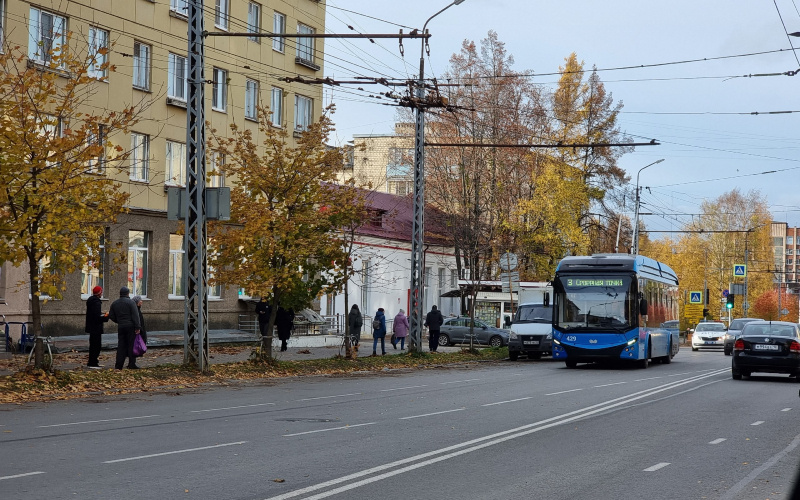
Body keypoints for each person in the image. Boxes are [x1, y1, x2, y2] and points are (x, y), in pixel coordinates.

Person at [108, 286, 142, 370]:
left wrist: (118, 321)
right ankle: (131, 364)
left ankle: (118, 365)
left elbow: (111, 315)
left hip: (121, 326)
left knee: (121, 346)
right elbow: (135, 315)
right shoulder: (131, 303)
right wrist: (137, 327)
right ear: (127, 293)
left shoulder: (115, 303)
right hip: (130, 327)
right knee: (131, 345)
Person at [85, 285, 109, 369]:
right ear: (99, 293)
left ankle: (93, 361)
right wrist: (105, 317)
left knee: (93, 345)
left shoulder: (91, 301)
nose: (102, 293)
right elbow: (97, 317)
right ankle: (93, 362)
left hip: (92, 327)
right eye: (101, 292)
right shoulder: (96, 302)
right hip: (96, 328)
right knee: (96, 346)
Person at [131, 295, 148, 364]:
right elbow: (138, 321)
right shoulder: (136, 310)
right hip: (138, 331)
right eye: (140, 300)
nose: (142, 301)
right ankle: (132, 363)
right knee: (135, 346)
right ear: (137, 302)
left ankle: (133, 362)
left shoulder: (137, 309)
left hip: (140, 330)